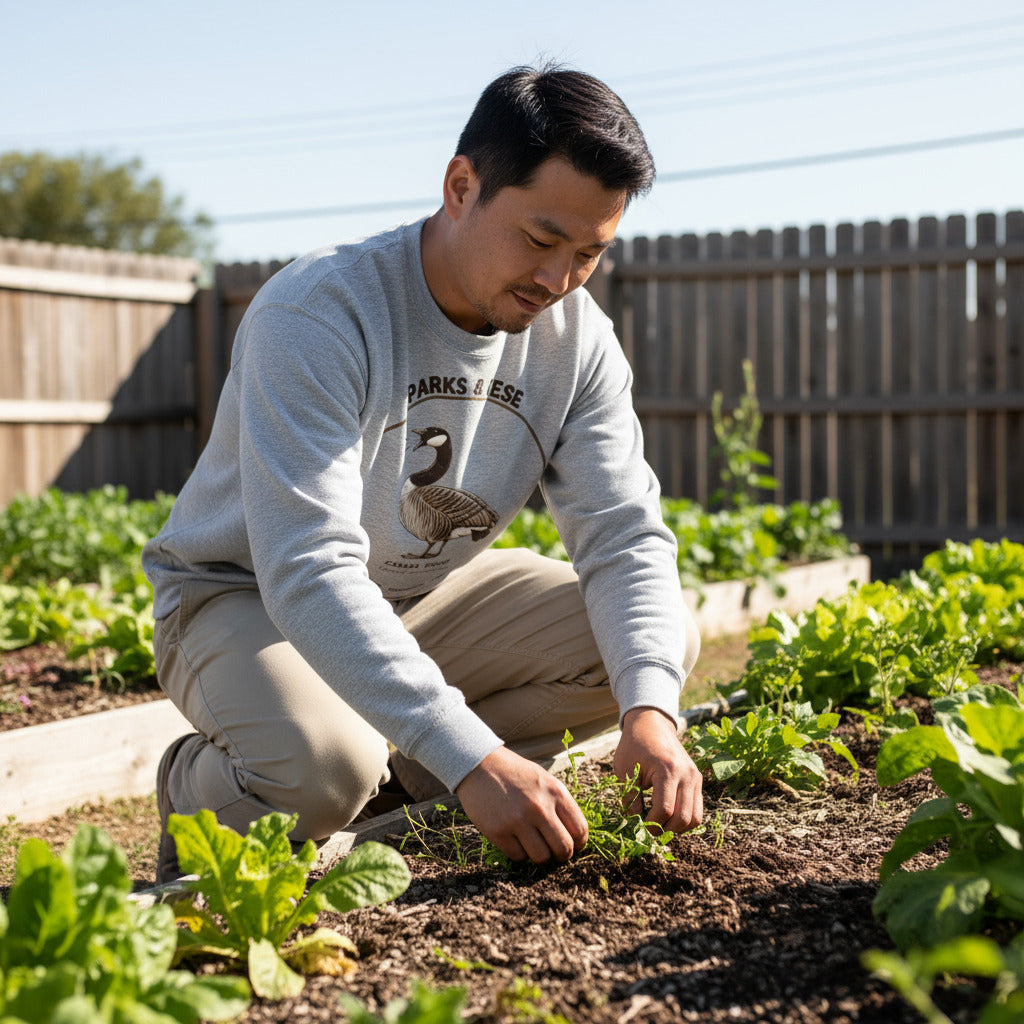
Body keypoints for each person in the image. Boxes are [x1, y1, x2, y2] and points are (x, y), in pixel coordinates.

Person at [143, 63, 702, 883]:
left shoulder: (576, 342)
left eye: (589, 254)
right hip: (244, 594)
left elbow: (623, 535)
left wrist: (652, 719)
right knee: (324, 768)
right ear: (461, 185)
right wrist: (477, 758)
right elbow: (306, 564)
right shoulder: (322, 312)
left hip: (417, 598)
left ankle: (408, 773)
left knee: (652, 648)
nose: (558, 281)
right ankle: (199, 791)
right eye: (542, 240)